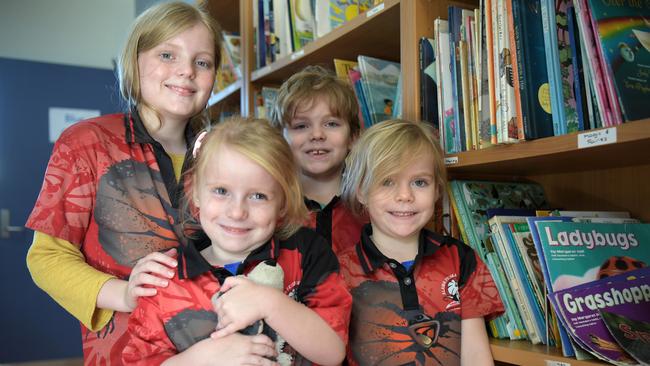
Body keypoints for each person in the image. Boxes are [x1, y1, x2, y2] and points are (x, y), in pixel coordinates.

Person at [25, 2, 222, 364]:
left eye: (202, 62)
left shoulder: (225, 153)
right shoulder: (87, 143)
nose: (186, 71)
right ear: (134, 62)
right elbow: (47, 258)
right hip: (127, 351)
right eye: (167, 54)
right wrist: (124, 294)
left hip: (220, 349)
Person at [122, 117, 351, 365]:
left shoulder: (306, 253)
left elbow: (333, 352)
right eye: (221, 191)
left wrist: (269, 303)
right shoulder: (165, 276)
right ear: (196, 192)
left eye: (258, 196)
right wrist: (201, 359)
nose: (237, 212)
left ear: (282, 203)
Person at [338, 119, 505, 365]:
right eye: (387, 181)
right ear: (361, 190)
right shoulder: (339, 270)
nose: (405, 196)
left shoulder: (460, 259)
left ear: (437, 190)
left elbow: (476, 357)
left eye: (420, 182)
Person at [270, 65, 365, 256]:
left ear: (353, 136)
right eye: (301, 125)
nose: (317, 135)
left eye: (331, 124)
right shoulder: (270, 208)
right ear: (279, 139)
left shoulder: (371, 208)